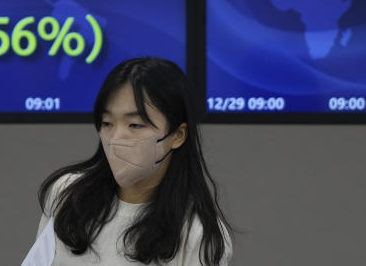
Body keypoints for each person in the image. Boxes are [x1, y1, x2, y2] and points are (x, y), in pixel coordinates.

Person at [33, 57, 233, 265]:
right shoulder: (67, 194)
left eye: (135, 125)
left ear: (178, 135)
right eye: (107, 122)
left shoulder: (198, 234)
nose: (117, 137)